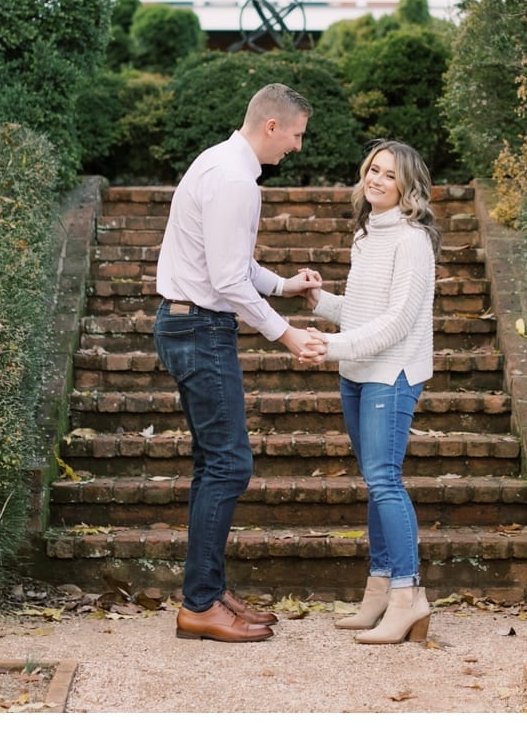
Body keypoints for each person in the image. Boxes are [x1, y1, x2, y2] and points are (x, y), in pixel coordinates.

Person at [154, 82, 326, 643]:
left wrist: (283, 284)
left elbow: (231, 263)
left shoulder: (222, 164)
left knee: (214, 464)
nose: (298, 147)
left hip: (190, 322)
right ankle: (200, 603)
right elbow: (227, 279)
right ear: (272, 126)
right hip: (200, 327)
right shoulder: (234, 179)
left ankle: (209, 590)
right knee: (230, 465)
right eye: (297, 135)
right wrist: (288, 335)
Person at [302, 139, 439, 645]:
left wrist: (331, 346)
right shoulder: (367, 234)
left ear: (408, 186)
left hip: (393, 372)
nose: (377, 179)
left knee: (385, 479)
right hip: (357, 371)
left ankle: (409, 595)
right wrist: (322, 302)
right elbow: (363, 313)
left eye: (389, 174)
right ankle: (379, 590)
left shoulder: (412, 239)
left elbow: (399, 322)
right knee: (374, 480)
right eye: (372, 170)